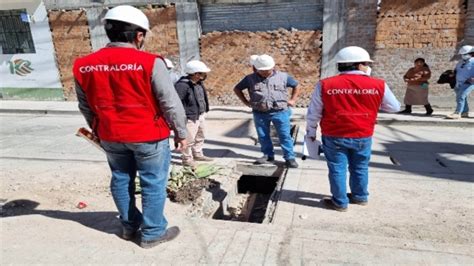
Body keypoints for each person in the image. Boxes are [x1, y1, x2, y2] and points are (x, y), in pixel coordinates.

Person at [72, 5, 187, 248]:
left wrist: (97, 128)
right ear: (138, 35)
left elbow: (85, 106)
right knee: (153, 182)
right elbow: (170, 102)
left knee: (121, 179)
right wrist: (181, 132)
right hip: (148, 136)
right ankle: (153, 232)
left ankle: (128, 227)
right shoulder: (150, 62)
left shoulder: (83, 65)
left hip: (111, 135)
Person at [306, 46, 400, 212]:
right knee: (360, 167)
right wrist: (371, 104)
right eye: (366, 63)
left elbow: (314, 113)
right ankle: (360, 197)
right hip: (363, 134)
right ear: (359, 65)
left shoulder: (326, 84)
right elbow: (394, 107)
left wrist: (311, 134)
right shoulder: (378, 84)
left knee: (337, 168)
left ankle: (340, 203)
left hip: (334, 135)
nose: (367, 67)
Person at [234, 54, 300, 168]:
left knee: (284, 135)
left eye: (267, 70)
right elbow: (237, 88)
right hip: (260, 113)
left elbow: (296, 85)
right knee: (263, 136)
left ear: (273, 67)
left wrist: (293, 99)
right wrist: (245, 102)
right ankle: (268, 156)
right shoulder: (250, 79)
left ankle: (290, 158)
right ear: (257, 68)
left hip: (280, 112)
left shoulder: (283, 77)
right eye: (261, 70)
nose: (264, 72)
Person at [175, 60, 213, 167]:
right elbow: (178, 102)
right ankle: (187, 159)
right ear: (196, 74)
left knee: (201, 134)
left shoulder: (198, 83)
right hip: (190, 117)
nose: (204, 75)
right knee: (188, 138)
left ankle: (197, 153)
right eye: (202, 73)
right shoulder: (182, 85)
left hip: (200, 114)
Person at [446, 45, 474, 119]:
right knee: (462, 97)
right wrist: (452, 73)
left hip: (469, 83)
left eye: (465, 54)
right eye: (462, 54)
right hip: (459, 82)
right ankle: (464, 112)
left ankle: (457, 113)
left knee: (460, 96)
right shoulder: (460, 62)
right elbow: (456, 70)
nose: (463, 56)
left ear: (471, 53)